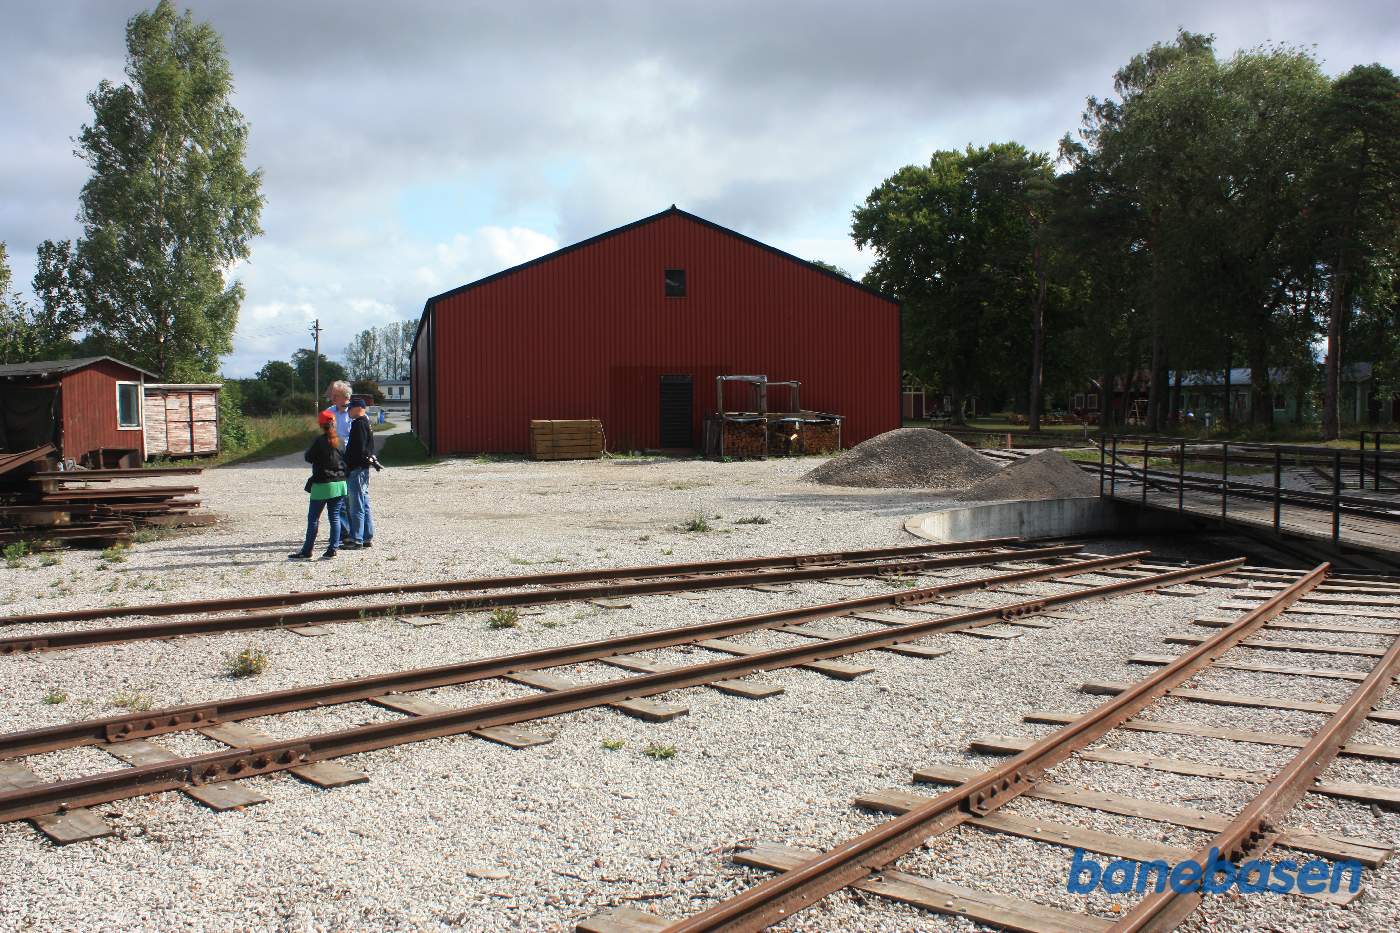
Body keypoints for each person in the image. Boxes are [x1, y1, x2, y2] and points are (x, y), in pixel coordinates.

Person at [289, 410, 347, 560]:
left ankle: (307, 551)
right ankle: (332, 549)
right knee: (335, 517)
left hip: (323, 484)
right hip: (340, 483)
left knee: (314, 518)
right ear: (334, 423)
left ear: (321, 425)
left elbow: (309, 457)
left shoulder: (319, 441)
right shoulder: (341, 441)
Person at [341, 396, 377, 549]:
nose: (348, 411)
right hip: (362, 469)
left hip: (356, 469)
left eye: (350, 408)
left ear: (358, 408)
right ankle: (367, 536)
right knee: (364, 502)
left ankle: (356, 539)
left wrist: (348, 464)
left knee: (356, 505)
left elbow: (360, 450)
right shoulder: (365, 423)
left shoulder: (359, 424)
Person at [324, 380, 353, 444]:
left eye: (336, 395)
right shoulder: (329, 411)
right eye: (332, 395)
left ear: (346, 397)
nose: (333, 398)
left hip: (348, 448)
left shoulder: (356, 413)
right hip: (331, 447)